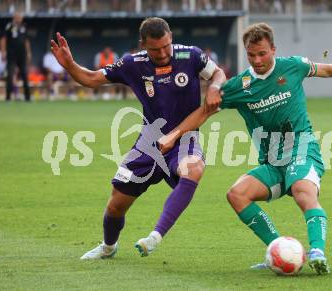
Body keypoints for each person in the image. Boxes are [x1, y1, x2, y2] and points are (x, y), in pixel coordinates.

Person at [158, 23, 332, 275]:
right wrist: (173, 135)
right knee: (237, 195)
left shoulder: (292, 66)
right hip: (272, 161)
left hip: (302, 149)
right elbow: (204, 112)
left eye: (262, 53)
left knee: (303, 191)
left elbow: (323, 69)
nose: (257, 60)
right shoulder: (239, 86)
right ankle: (278, 249)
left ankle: (317, 252)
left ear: (273, 49)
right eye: (251, 55)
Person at [50, 17, 226, 259]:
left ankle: (155, 236)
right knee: (116, 204)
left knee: (193, 169)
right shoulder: (133, 64)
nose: (163, 53)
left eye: (166, 46)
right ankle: (108, 247)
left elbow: (218, 74)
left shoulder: (191, 56)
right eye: (155, 49)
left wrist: (215, 87)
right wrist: (70, 65)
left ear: (171, 37)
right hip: (149, 143)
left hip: (184, 138)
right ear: (143, 44)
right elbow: (91, 79)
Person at [0, 12, 32, 102]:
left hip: (22, 55)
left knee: (25, 75)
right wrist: (3, 52)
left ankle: (27, 97)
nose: (19, 19)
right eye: (17, 17)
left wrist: (29, 52)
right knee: (10, 75)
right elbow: (3, 39)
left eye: (20, 17)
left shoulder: (24, 27)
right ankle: (8, 97)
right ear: (14, 18)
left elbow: (26, 40)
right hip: (12, 55)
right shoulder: (9, 26)